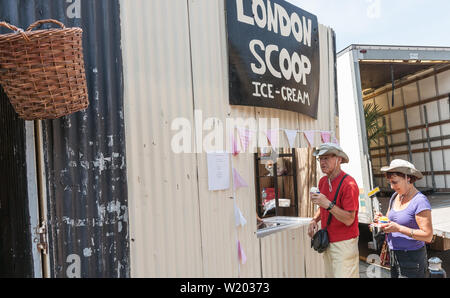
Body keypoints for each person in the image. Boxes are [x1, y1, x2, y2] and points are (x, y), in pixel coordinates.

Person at [307, 143, 360, 278]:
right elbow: (322, 207)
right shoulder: (323, 181)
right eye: (320, 159)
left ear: (339, 159)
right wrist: (314, 219)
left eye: (326, 158)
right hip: (328, 241)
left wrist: (328, 204)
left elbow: (349, 219)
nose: (322, 162)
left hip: (345, 243)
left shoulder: (349, 184)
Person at [375, 159, 433, 278]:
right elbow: (391, 220)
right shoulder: (395, 196)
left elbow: (428, 236)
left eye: (395, 182)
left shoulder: (420, 201)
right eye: (390, 182)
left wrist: (399, 229)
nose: (392, 187)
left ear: (408, 178)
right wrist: (382, 220)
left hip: (412, 258)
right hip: (394, 255)